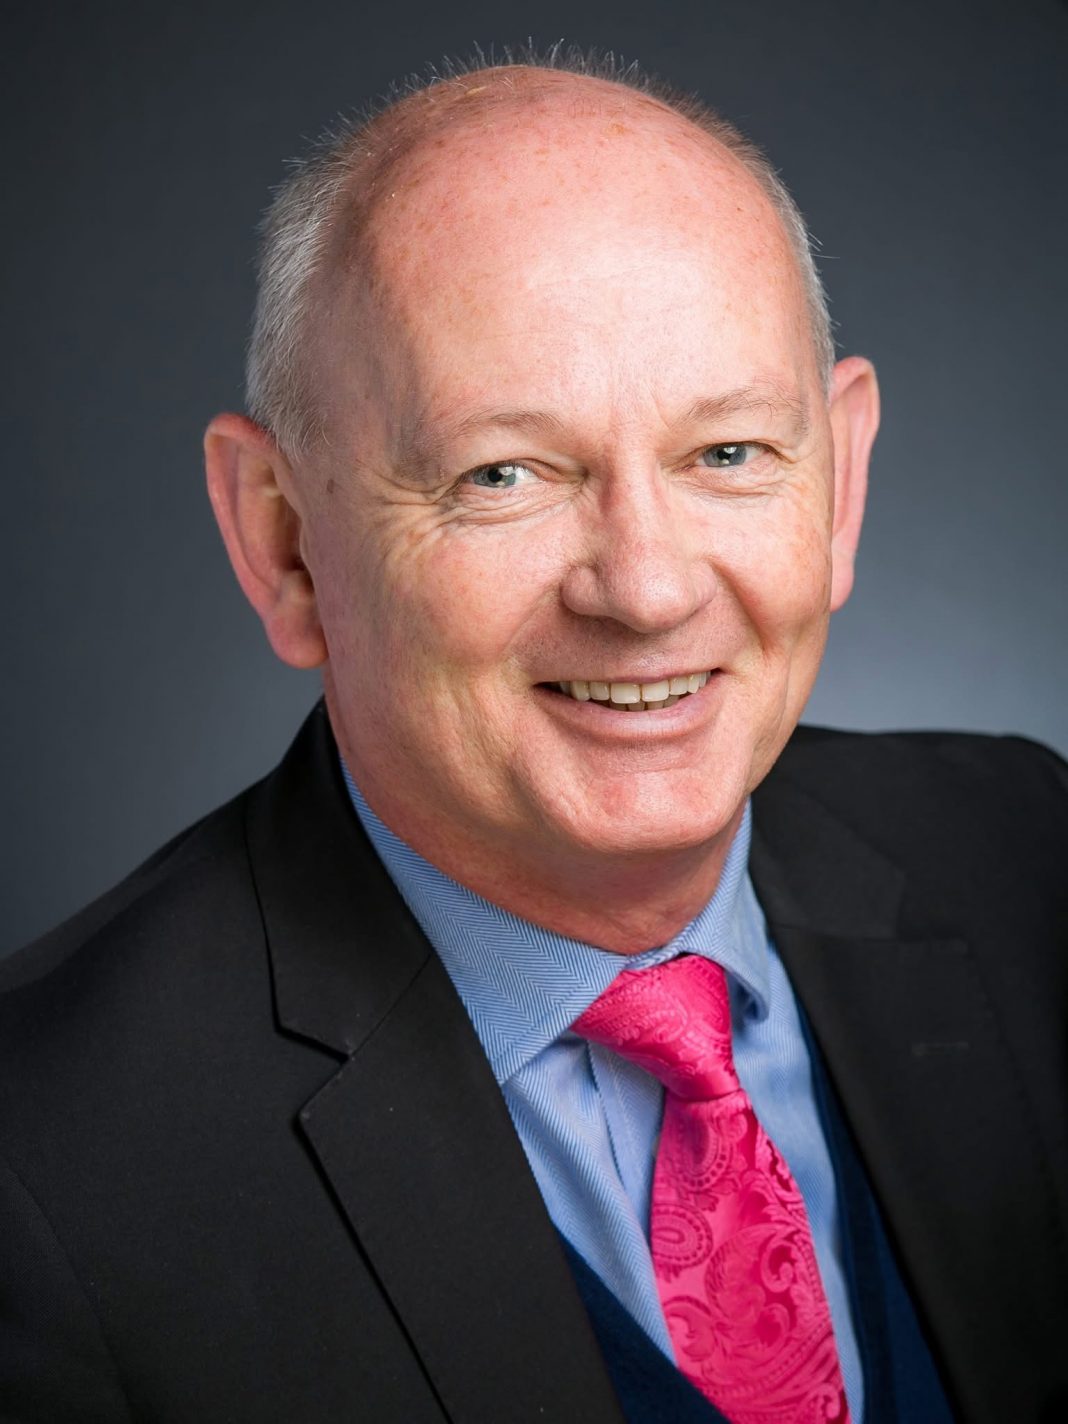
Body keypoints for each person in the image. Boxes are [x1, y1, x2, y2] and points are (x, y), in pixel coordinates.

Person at [1, 53, 1065, 1424]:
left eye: (729, 453)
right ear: (284, 539)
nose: (648, 589)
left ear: (842, 481)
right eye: (502, 473)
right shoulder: (42, 1171)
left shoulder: (1027, 859)